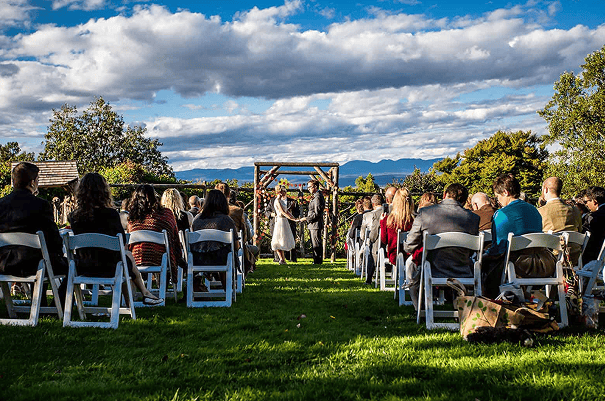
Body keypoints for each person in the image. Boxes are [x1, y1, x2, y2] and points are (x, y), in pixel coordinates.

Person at [68, 173, 163, 305]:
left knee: (126, 258)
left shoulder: (74, 217)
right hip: (109, 267)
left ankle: (141, 296)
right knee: (126, 258)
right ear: (104, 191)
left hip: (83, 266)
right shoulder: (111, 214)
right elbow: (122, 243)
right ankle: (141, 296)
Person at [0, 162, 68, 305]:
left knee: (42, 256)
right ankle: (57, 307)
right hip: (33, 264)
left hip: (4, 263)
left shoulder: (2, 204)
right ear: (32, 182)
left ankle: (40, 305)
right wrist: (58, 254)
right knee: (72, 266)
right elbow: (54, 239)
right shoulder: (41, 205)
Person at [404, 183, 480, 309]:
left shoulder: (425, 213)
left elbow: (410, 245)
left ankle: (421, 310)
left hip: (433, 270)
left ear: (445, 195)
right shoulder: (473, 218)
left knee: (413, 268)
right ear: (463, 200)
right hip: (463, 270)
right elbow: (472, 250)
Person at [482, 173, 550, 298]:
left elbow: (498, 249)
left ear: (505, 192)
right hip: (542, 264)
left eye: (498, 197)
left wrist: (483, 256)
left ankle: (489, 302)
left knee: (485, 262)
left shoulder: (502, 214)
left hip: (518, 266)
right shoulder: (534, 211)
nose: (498, 201)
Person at [127, 185, 187, 286]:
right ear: (154, 197)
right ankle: (163, 288)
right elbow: (174, 237)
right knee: (166, 252)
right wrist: (178, 257)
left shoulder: (132, 219)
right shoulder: (166, 214)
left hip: (136, 257)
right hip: (159, 257)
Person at [191, 189, 240, 289]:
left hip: (198, 259)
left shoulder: (197, 219)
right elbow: (236, 246)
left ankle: (198, 282)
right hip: (220, 259)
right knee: (226, 253)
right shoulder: (226, 220)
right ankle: (228, 288)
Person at [215, 182, 256, 272]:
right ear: (229, 194)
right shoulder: (237, 211)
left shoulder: (206, 213)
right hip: (231, 248)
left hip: (209, 251)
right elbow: (245, 235)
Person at [380, 187, 415, 265]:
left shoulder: (390, 219)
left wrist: (382, 222)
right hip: (412, 255)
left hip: (395, 255)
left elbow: (384, 240)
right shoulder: (415, 220)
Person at [270, 185, 298, 265]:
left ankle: (284, 259)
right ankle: (281, 259)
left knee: (284, 239)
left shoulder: (282, 201)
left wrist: (294, 218)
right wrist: (290, 218)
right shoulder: (277, 201)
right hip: (280, 221)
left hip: (285, 221)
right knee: (278, 239)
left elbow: (287, 211)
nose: (284, 193)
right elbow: (283, 212)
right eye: (282, 191)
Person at [299, 180, 325, 264]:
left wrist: (306, 218)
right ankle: (316, 260)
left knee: (316, 243)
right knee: (314, 242)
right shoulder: (315, 196)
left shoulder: (317, 197)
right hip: (313, 223)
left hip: (315, 223)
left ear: (315, 187)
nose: (308, 189)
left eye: (310, 187)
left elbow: (317, 213)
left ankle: (318, 261)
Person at [360, 193, 384, 284]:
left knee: (371, 250)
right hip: (391, 243)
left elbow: (374, 231)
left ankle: (369, 278)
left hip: (379, 244)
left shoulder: (374, 214)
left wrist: (369, 239)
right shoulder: (390, 211)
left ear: (373, 204)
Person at [581, 186, 605, 263]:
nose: (586, 205)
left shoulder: (593, 217)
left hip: (593, 259)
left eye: (586, 202)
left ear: (594, 201)